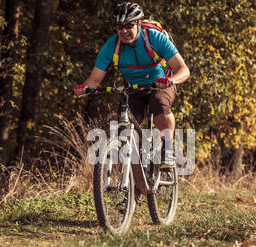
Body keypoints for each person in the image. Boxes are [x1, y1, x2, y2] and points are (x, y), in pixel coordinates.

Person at [74, 2, 190, 168]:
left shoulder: (154, 38)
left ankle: (168, 149)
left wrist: (170, 80)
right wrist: (84, 88)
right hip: (133, 88)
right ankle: (133, 177)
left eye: (129, 25)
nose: (124, 31)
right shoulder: (112, 46)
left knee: (159, 103)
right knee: (125, 125)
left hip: (161, 84)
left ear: (139, 23)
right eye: (120, 26)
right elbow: (94, 80)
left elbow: (183, 69)